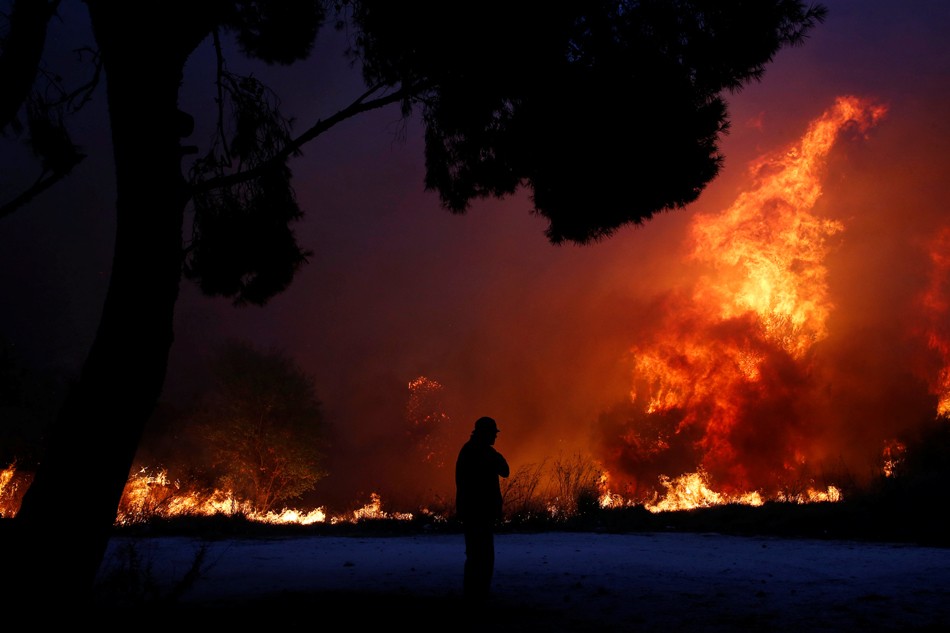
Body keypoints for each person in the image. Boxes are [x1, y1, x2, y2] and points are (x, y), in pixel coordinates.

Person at [455, 415, 510, 600]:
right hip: (478, 513)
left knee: (477, 556)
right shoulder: (482, 453)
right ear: (484, 433)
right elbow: (505, 470)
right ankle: (477, 596)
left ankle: (474, 595)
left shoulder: (469, 450)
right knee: (482, 556)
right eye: (493, 433)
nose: (495, 436)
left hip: (474, 512)